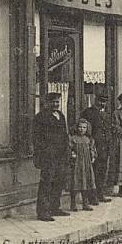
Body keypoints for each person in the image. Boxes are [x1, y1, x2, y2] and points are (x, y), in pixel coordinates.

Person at [32, 92, 71, 221]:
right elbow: (37, 138)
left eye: (58, 102)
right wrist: (44, 152)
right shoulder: (41, 117)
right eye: (53, 102)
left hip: (61, 155)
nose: (56, 104)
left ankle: (55, 207)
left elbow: (65, 135)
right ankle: (43, 211)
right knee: (46, 183)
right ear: (47, 103)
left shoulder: (61, 116)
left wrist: (67, 151)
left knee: (59, 181)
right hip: (48, 156)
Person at [80, 94, 112, 203]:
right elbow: (85, 130)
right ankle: (91, 196)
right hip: (94, 146)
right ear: (95, 100)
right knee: (93, 171)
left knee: (102, 171)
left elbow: (108, 130)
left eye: (104, 102)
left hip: (104, 147)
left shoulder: (106, 114)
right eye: (100, 101)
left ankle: (100, 194)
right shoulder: (88, 113)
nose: (102, 104)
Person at [68, 119, 97, 211]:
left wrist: (93, 156)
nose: (81, 129)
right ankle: (73, 204)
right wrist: (71, 154)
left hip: (86, 163)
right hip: (76, 164)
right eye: (80, 127)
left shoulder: (89, 139)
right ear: (76, 127)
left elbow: (92, 149)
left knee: (86, 182)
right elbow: (69, 148)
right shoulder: (73, 138)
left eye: (84, 127)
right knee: (75, 183)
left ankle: (85, 203)